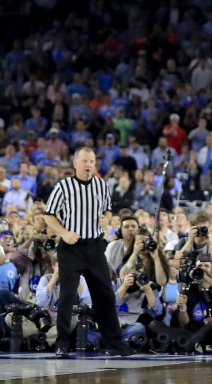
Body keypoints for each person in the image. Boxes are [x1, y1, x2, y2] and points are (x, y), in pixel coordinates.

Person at [42, 147, 132, 357]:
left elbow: (108, 209)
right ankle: (62, 342)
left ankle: (114, 343)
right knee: (67, 296)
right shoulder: (64, 186)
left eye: (92, 161)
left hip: (94, 247)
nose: (89, 164)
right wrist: (63, 232)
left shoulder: (101, 185)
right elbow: (49, 215)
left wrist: (106, 218)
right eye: (84, 161)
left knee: (106, 295)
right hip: (71, 248)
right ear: (75, 164)